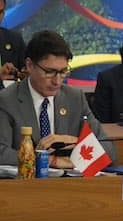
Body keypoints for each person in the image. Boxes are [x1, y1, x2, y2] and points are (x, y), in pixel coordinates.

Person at [0, 30, 115, 167]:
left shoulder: (75, 98)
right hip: (25, 185)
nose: (57, 81)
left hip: (70, 184)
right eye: (49, 72)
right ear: (30, 65)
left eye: (63, 72)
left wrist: (76, 141)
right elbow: (2, 153)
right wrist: (49, 161)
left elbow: (109, 150)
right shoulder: (6, 100)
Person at [0, 0, 25, 87]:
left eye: (0, 12)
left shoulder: (14, 39)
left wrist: (25, 74)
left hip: (12, 99)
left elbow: (25, 69)